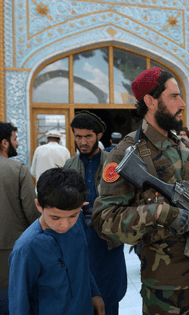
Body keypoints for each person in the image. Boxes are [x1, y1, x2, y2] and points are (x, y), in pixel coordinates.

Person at [92, 67, 189, 314]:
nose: (183, 103)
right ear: (150, 101)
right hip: (169, 290)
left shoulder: (184, 147)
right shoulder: (125, 155)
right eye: (174, 96)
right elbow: (104, 221)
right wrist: (159, 213)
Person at [8, 168, 105, 314]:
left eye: (72, 215)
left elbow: (81, 262)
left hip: (83, 307)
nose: (65, 225)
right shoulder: (27, 247)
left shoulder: (78, 221)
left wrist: (94, 292)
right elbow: (19, 302)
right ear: (39, 206)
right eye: (55, 218)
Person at [64, 111, 127, 315]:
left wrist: (103, 213)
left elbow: (128, 199)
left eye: (88, 136)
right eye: (78, 136)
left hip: (108, 243)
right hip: (79, 242)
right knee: (81, 298)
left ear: (98, 136)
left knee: (110, 299)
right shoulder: (69, 166)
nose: (82, 142)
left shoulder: (114, 163)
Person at [0, 122, 40, 314]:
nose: (17, 144)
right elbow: (32, 214)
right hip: (10, 259)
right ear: (4, 143)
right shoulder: (18, 170)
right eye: (14, 139)